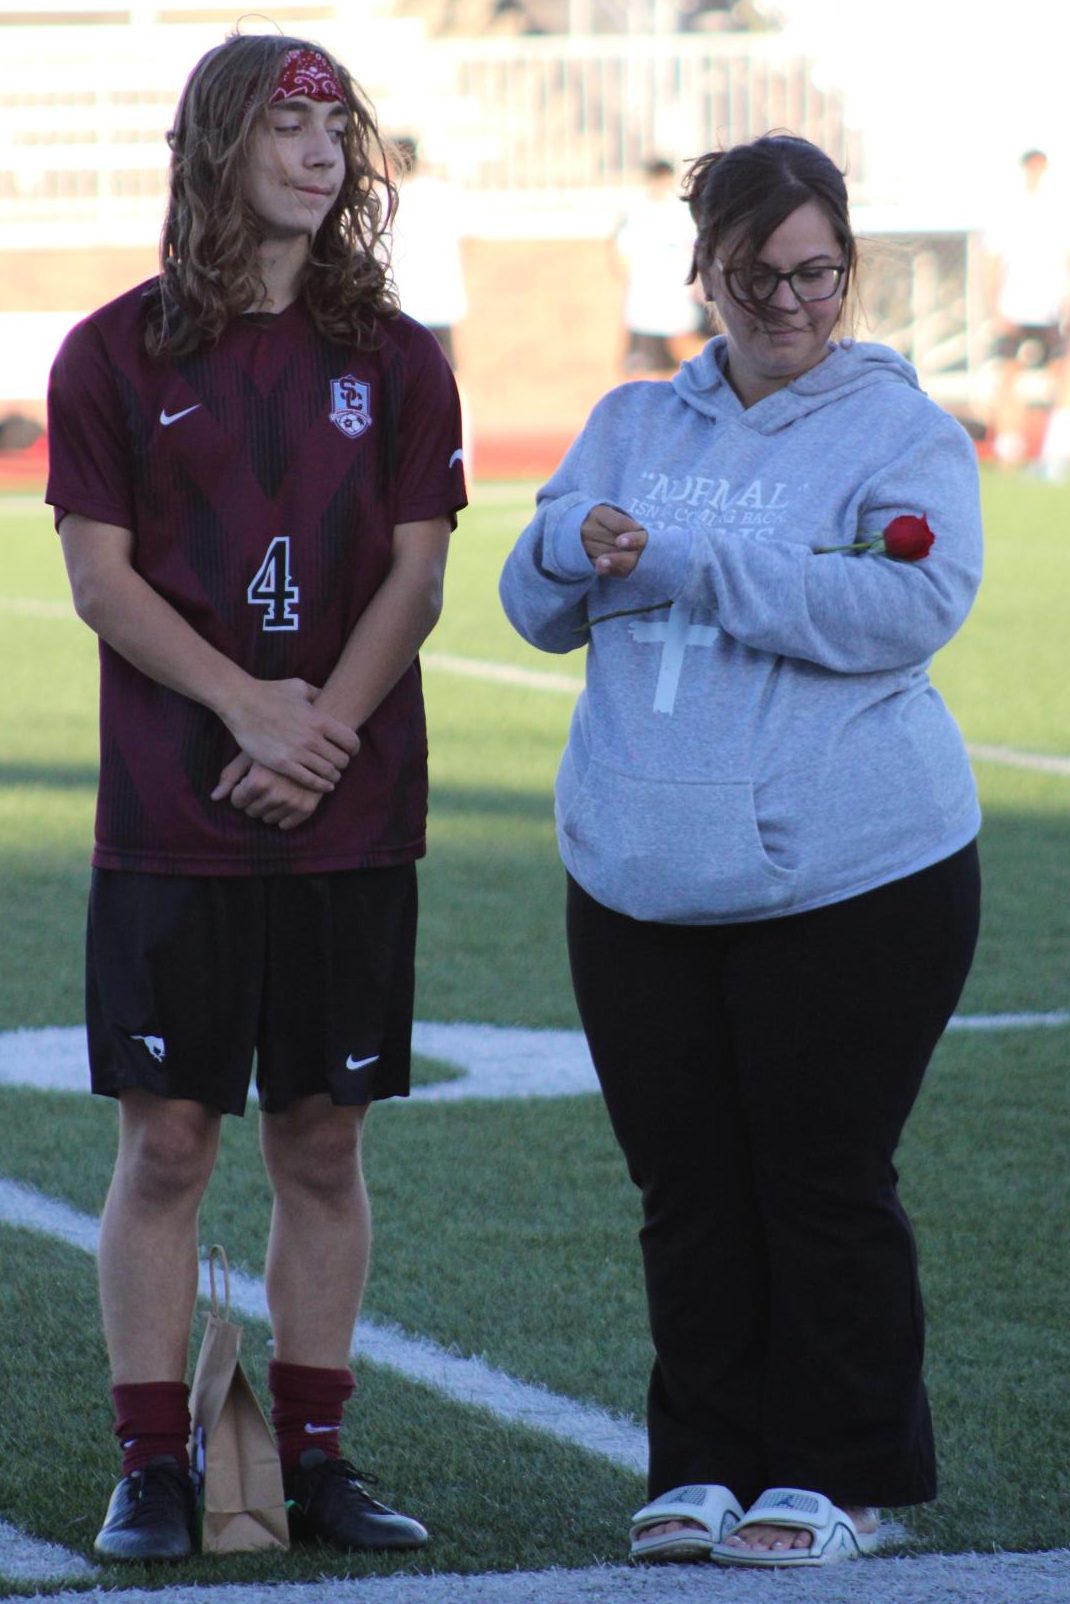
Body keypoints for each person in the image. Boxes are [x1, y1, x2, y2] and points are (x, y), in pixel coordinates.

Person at [500, 134, 982, 1570]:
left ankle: (836, 1478)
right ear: (700, 273)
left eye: (815, 273)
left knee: (820, 1179)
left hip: (854, 875)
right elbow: (534, 598)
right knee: (687, 1188)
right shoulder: (632, 420)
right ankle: (703, 1462)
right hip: (637, 873)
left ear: (849, 268)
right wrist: (568, 542)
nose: (788, 303)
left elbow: (907, 604)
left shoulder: (903, 435)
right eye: (753, 275)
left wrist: (679, 559)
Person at [45, 31, 466, 1563]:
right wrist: (244, 705)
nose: (319, 153)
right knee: (165, 1143)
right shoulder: (110, 354)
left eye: (334, 128)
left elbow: (419, 574)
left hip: (348, 809)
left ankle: (317, 1457)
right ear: (217, 144)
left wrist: (322, 734)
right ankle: (155, 1467)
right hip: (173, 810)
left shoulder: (400, 356)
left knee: (321, 1139)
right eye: (287, 126)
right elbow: (98, 579)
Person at [982, 148, 1070, 465]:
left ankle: (1056, 449)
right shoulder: (1008, 209)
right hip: (1015, 306)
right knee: (1009, 372)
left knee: (1062, 370)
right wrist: (995, 307)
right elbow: (992, 261)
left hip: (1050, 308)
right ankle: (1008, 447)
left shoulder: (1058, 210)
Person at [614, 157, 702, 375]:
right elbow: (621, 251)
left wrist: (696, 284)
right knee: (642, 368)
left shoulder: (683, 212)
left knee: (686, 356)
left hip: (677, 298)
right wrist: (629, 283)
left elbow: (697, 249)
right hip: (645, 300)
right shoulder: (638, 213)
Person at [387, 135, 468, 370]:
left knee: (407, 376)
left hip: (404, 304)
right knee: (448, 372)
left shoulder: (387, 199)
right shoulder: (443, 193)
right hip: (441, 300)